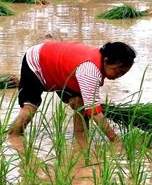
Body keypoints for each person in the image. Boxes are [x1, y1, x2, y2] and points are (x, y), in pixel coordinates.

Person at [8, 40, 136, 149]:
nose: (119, 76)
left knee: (79, 103)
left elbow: (88, 107)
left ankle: (81, 143)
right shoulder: (90, 70)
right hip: (36, 62)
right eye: (118, 71)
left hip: (59, 69)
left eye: (123, 73)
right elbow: (94, 111)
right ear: (107, 61)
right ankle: (13, 139)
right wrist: (116, 140)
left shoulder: (97, 60)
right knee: (30, 107)